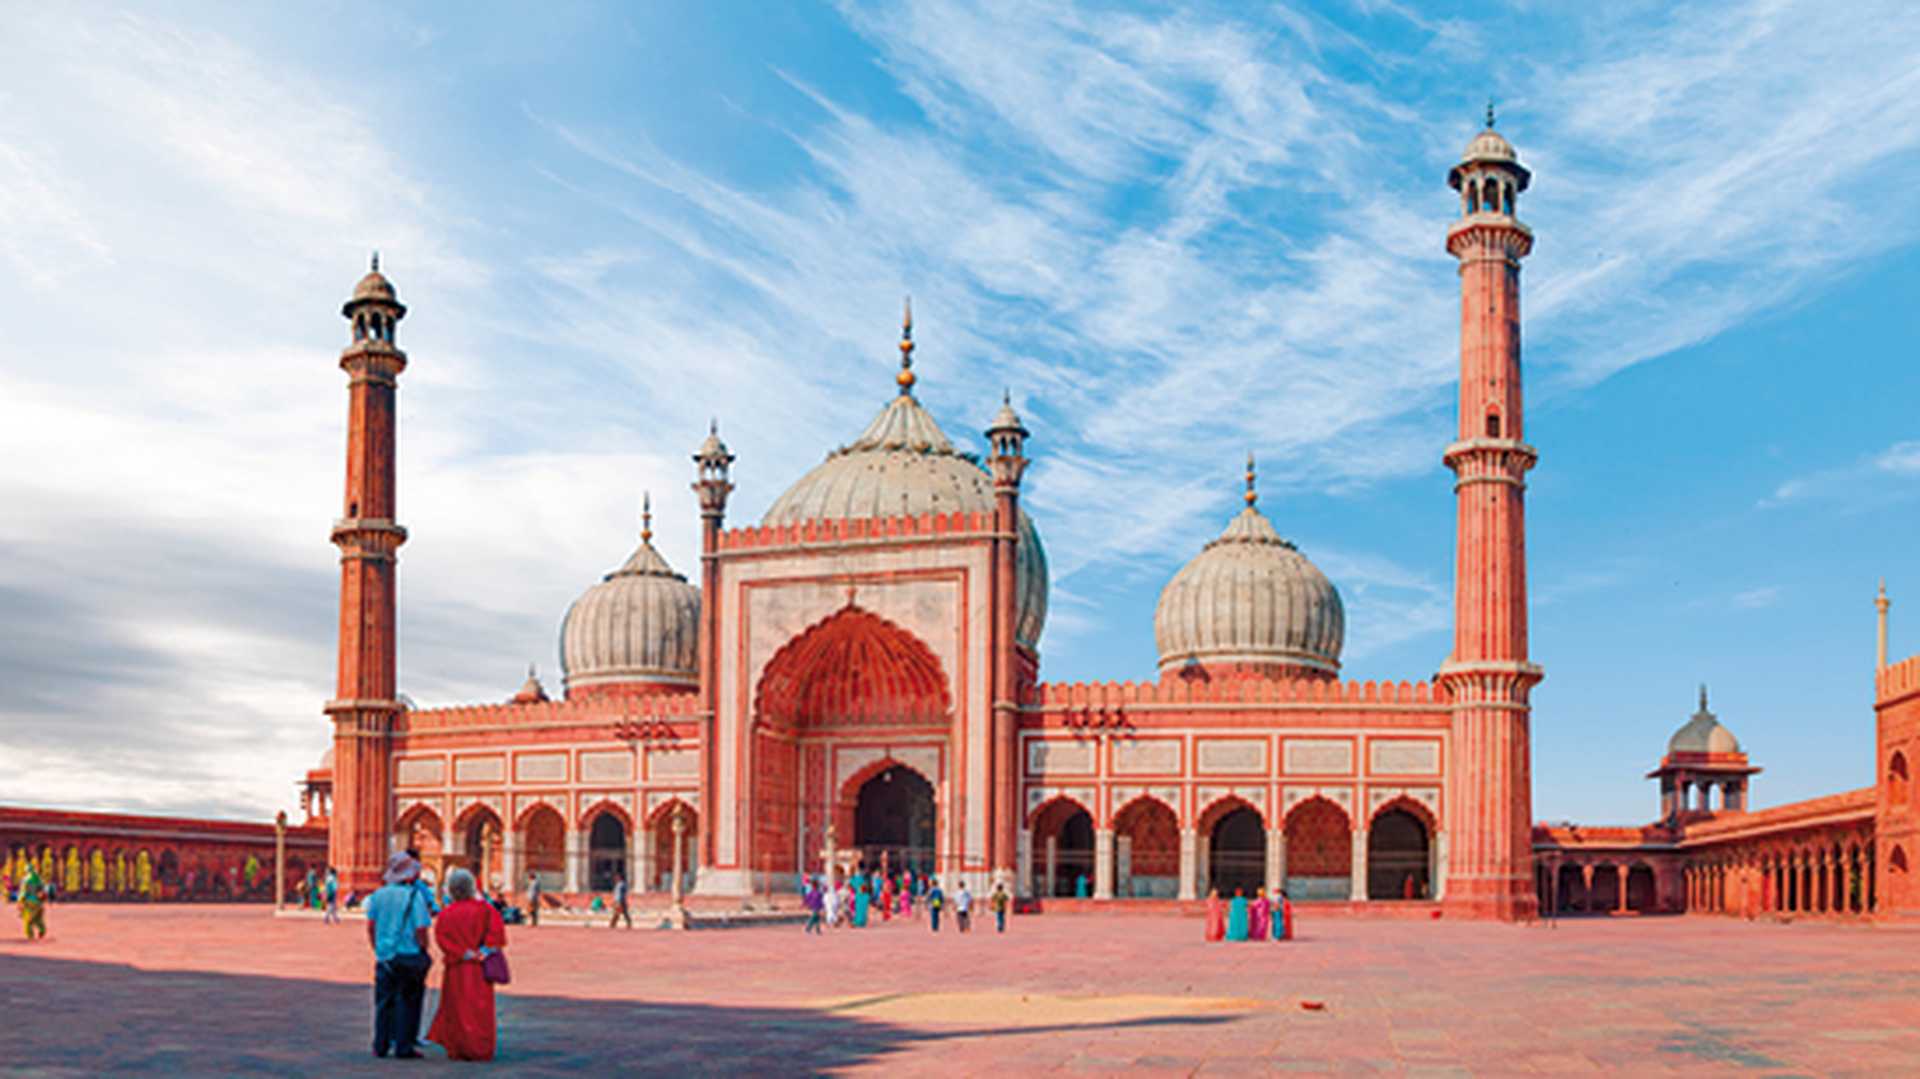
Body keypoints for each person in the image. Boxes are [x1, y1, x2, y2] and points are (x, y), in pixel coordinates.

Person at [427, 867, 507, 1062]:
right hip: (479, 969)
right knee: (480, 1009)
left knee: (456, 1008)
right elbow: (497, 935)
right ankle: (480, 1048)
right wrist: (482, 953)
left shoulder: (447, 913)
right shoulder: (485, 910)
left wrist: (463, 953)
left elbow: (442, 939)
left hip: (457, 967)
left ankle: (458, 1047)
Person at [365, 851, 435, 1059]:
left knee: (384, 1002)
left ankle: (381, 1045)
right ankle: (403, 1046)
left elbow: (371, 925)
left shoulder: (378, 895)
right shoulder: (414, 896)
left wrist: (378, 948)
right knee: (408, 1001)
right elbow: (421, 928)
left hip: (385, 957)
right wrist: (424, 949)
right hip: (408, 954)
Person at [17, 864, 46, 941]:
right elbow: (42, 892)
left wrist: (20, 901)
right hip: (38, 903)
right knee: (38, 918)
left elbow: (23, 892)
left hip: (29, 902)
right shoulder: (39, 879)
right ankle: (42, 931)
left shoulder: (26, 880)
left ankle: (30, 936)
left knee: (28, 920)